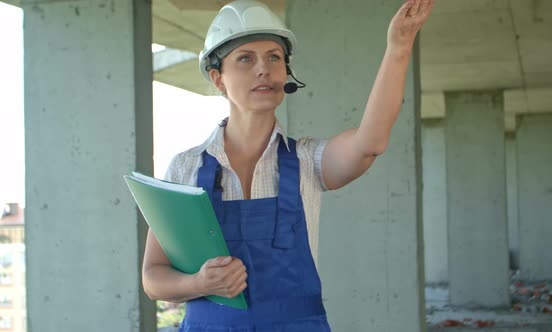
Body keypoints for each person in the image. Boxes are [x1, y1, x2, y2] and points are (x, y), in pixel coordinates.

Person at [142, 0, 434, 330]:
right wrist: (199, 284)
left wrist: (399, 45)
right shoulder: (185, 168)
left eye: (274, 58)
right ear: (218, 78)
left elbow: (370, 143)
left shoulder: (308, 160)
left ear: (286, 73)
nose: (263, 69)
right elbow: (154, 276)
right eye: (245, 59)